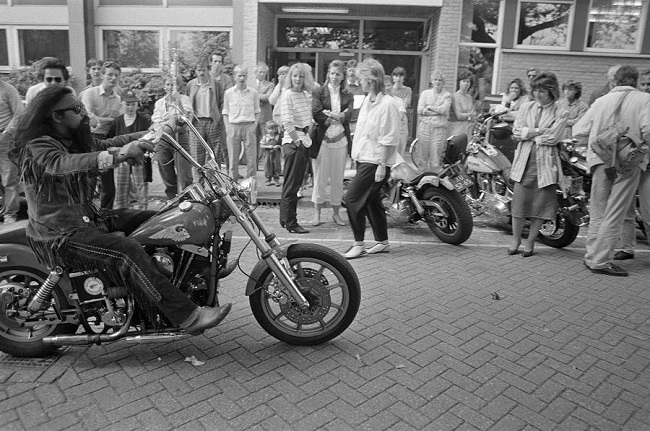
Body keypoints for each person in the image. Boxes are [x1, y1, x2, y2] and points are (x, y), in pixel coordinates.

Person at [13, 86, 231, 335]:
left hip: (88, 220)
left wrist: (158, 133)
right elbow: (60, 164)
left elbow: (110, 143)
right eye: (76, 109)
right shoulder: (38, 146)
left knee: (162, 218)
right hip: (62, 233)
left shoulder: (68, 140)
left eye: (82, 107)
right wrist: (116, 155)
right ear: (56, 116)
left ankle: (201, 269)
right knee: (128, 251)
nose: (84, 114)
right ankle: (187, 316)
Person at [573, 66, 650, 276]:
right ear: (635, 81)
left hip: (601, 161)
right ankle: (601, 261)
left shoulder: (601, 101)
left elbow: (578, 130)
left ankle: (591, 257)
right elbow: (648, 131)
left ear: (615, 81)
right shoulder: (644, 100)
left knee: (597, 211)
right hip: (628, 164)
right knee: (616, 212)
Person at [343, 59, 400, 259]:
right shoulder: (368, 100)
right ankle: (382, 242)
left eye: (362, 78)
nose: (359, 82)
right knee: (372, 201)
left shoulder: (389, 104)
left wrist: (382, 167)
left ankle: (358, 243)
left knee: (352, 199)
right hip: (364, 158)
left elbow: (390, 137)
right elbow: (361, 131)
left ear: (372, 79)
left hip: (376, 162)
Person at [508, 72, 568, 258]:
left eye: (542, 90)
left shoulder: (561, 111)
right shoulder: (526, 107)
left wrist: (530, 134)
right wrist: (538, 131)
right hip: (523, 165)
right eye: (535, 90)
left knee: (539, 207)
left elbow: (553, 137)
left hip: (545, 167)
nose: (538, 94)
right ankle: (516, 240)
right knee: (519, 205)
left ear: (552, 91)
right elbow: (516, 132)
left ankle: (530, 242)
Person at [309, 59, 353, 227]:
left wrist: (334, 115)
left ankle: (335, 213)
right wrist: (336, 117)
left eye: (338, 74)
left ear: (343, 76)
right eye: (332, 73)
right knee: (320, 178)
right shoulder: (319, 91)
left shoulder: (348, 94)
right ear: (328, 74)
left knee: (337, 179)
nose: (335, 77)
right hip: (323, 142)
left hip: (341, 142)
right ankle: (317, 212)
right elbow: (316, 113)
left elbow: (348, 116)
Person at [615, 68, 650, 261]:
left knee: (648, 212)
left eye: (649, 84)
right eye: (643, 84)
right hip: (631, 162)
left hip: (648, 168)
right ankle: (627, 247)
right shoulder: (637, 104)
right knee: (626, 209)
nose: (646, 87)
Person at [80, 60, 122, 209]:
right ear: (102, 75)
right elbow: (89, 118)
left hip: (108, 141)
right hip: (91, 140)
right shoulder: (90, 93)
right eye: (110, 74)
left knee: (108, 183)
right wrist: (109, 120)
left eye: (116, 75)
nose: (113, 78)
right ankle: (84, 215)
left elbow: (119, 122)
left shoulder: (118, 99)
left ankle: (105, 215)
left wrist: (103, 120)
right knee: (89, 181)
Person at [279, 62, 315, 234]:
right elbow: (287, 121)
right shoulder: (287, 95)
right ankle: (291, 222)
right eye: (294, 75)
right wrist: (297, 142)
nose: (298, 79)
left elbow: (309, 118)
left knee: (294, 184)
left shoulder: (306, 95)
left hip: (304, 140)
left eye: (301, 76)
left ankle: (284, 218)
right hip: (293, 143)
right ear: (290, 77)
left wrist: (306, 139)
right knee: (292, 185)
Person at [152, 74, 194, 199]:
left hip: (180, 138)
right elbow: (157, 121)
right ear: (164, 86)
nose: (170, 87)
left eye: (173, 85)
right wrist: (169, 120)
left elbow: (185, 118)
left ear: (179, 87)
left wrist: (178, 102)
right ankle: (172, 199)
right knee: (166, 171)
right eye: (168, 84)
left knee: (184, 173)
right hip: (164, 139)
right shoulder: (160, 103)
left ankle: (188, 200)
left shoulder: (184, 99)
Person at [107, 90, 151, 209]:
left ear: (137, 105)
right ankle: (120, 213)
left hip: (139, 158)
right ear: (122, 104)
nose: (130, 107)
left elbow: (149, 139)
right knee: (121, 188)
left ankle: (142, 211)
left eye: (133, 104)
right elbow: (111, 139)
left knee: (141, 187)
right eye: (127, 104)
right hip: (121, 158)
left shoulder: (144, 120)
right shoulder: (117, 121)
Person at [186, 58, 227, 180]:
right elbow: (187, 102)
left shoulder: (216, 85)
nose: (201, 73)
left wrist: (218, 119)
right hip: (196, 122)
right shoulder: (191, 85)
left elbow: (222, 102)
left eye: (204, 70)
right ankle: (199, 183)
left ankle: (214, 183)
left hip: (212, 121)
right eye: (199, 70)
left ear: (208, 70)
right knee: (196, 154)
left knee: (214, 154)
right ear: (196, 71)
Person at [222, 64, 260, 181]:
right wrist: (227, 127)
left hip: (249, 125)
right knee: (233, 159)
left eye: (244, 75)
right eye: (239, 76)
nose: (242, 78)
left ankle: (250, 187)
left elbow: (257, 111)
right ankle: (233, 186)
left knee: (251, 159)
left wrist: (255, 125)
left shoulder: (253, 92)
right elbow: (225, 111)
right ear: (234, 77)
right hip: (233, 126)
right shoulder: (229, 93)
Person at [416, 70, 452, 170]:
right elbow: (419, 110)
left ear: (443, 82)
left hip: (439, 129)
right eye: (435, 80)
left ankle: (433, 180)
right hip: (424, 128)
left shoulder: (447, 95)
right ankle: (421, 179)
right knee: (422, 156)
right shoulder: (425, 94)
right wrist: (437, 111)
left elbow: (444, 110)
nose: (437, 82)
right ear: (432, 81)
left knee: (435, 157)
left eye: (440, 80)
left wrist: (429, 107)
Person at [0, 78, 24, 224]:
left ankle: (10, 214)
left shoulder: (8, 89)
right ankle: (4, 207)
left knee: (9, 180)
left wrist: (5, 134)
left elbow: (19, 114)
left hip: (6, 140)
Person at [449, 71, 476, 138]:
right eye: (463, 81)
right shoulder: (455, 96)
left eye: (468, 81)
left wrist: (471, 115)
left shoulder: (469, 97)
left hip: (468, 129)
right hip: (458, 129)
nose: (466, 83)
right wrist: (470, 115)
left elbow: (473, 114)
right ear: (459, 83)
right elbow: (459, 115)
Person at [254, 63, 275, 148]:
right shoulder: (250, 84)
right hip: (253, 117)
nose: (262, 74)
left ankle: (264, 161)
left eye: (264, 72)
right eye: (260, 72)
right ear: (256, 72)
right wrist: (260, 96)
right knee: (252, 142)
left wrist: (254, 95)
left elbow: (268, 97)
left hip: (265, 117)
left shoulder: (270, 85)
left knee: (265, 141)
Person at [259, 120, 282, 186]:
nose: (271, 131)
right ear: (266, 129)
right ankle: (268, 179)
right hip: (267, 154)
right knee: (267, 166)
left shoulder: (277, 137)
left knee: (276, 165)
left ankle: (276, 179)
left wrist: (278, 146)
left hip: (276, 153)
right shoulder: (265, 137)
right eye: (269, 129)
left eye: (273, 129)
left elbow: (281, 144)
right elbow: (261, 145)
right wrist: (268, 146)